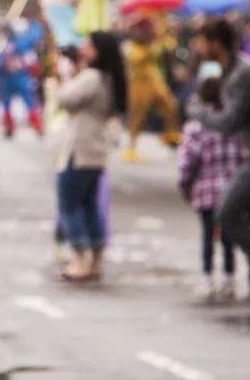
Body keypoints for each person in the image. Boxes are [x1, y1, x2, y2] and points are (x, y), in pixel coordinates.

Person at [193, 17, 250, 298]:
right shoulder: (230, 72)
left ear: (216, 44)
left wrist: (199, 113)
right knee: (227, 213)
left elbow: (230, 122)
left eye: (202, 41)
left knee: (230, 213)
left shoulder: (244, 75)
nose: (197, 47)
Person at [53, 31, 127, 282]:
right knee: (90, 206)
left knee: (71, 204)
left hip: (80, 149)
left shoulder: (92, 77)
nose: (82, 48)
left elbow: (65, 99)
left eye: (88, 44)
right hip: (96, 150)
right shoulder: (108, 77)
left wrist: (62, 78)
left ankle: (80, 259)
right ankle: (95, 259)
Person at [177, 63, 248, 299]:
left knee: (207, 236)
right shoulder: (234, 125)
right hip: (232, 190)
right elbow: (243, 156)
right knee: (228, 236)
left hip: (206, 192)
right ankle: (229, 276)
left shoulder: (196, 127)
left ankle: (207, 276)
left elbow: (188, 161)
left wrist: (185, 185)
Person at [122, 17, 181, 160]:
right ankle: (131, 147)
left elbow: (167, 49)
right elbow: (135, 59)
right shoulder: (130, 47)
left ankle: (171, 134)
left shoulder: (154, 44)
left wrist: (165, 36)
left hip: (154, 80)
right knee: (137, 115)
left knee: (170, 105)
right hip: (139, 84)